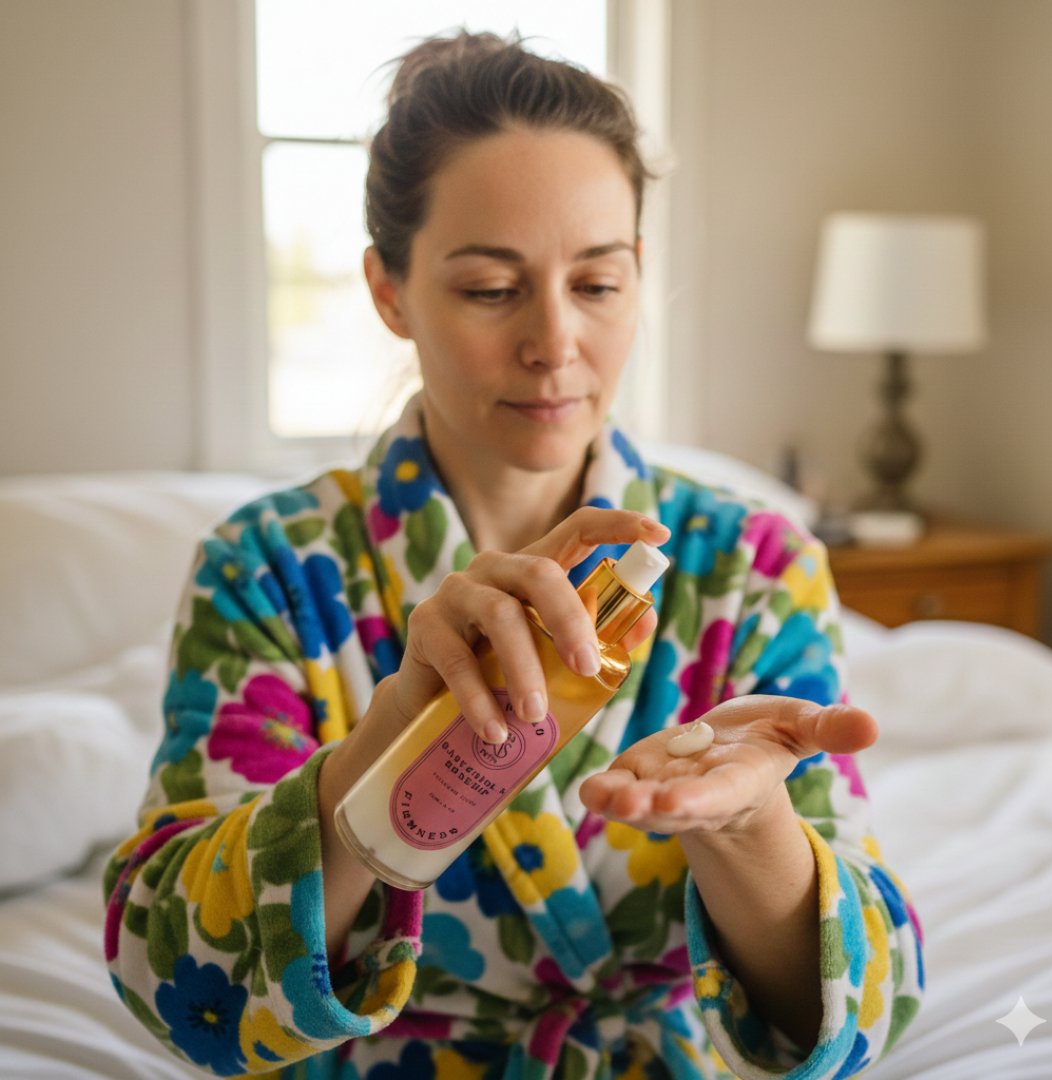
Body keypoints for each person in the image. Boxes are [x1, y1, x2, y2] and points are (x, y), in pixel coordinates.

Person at [104, 31, 923, 1080]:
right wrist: (391, 740)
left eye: (598, 282)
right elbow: (174, 977)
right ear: (390, 291)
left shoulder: (751, 564)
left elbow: (873, 1004)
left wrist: (749, 823)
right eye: (492, 288)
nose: (554, 341)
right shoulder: (270, 568)